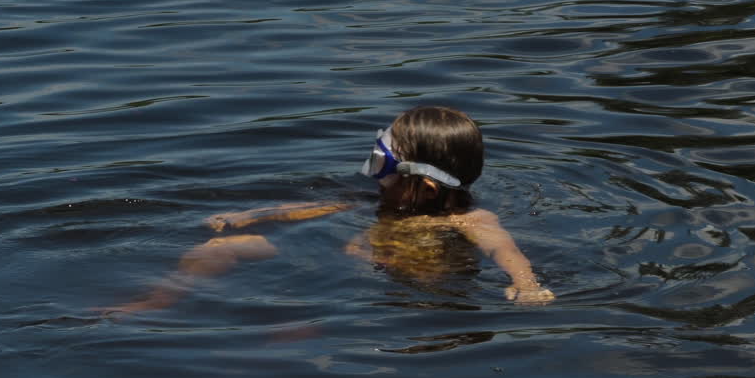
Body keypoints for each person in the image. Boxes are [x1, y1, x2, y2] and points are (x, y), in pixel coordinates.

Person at [106, 106, 553, 315]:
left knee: (298, 328)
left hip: (391, 286)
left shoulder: (469, 221)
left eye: (384, 166)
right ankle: (159, 298)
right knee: (227, 246)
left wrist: (526, 283)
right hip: (334, 262)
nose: (374, 176)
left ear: (428, 187)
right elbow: (318, 207)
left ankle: (286, 338)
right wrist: (255, 215)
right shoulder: (381, 200)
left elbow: (503, 251)